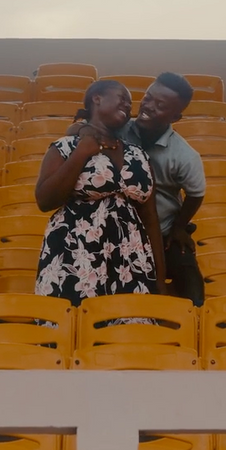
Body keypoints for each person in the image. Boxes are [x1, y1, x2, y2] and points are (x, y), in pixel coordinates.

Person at [33, 79, 166, 304]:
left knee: (129, 328)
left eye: (130, 103)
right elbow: (45, 200)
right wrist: (81, 153)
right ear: (97, 98)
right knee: (74, 328)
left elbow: (151, 219)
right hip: (75, 254)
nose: (127, 106)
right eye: (122, 98)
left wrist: (160, 281)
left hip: (129, 258)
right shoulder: (66, 146)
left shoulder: (139, 155)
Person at [119, 73, 207, 305]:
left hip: (164, 232)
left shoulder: (185, 155)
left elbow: (196, 194)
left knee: (192, 288)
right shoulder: (117, 131)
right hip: (117, 230)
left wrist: (179, 227)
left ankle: (195, 326)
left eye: (160, 105)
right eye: (148, 98)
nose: (148, 106)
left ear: (175, 117)